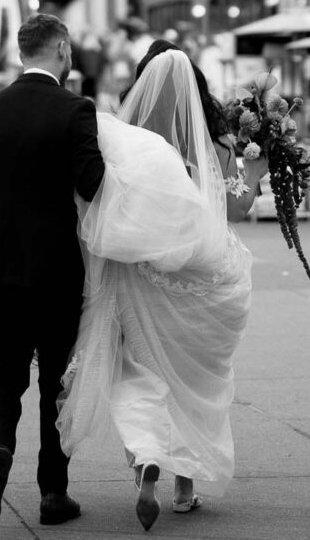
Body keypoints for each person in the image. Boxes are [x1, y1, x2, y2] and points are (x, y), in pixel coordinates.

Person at [58, 40, 269, 530]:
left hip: (142, 270)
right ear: (196, 86)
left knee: (138, 369)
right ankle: (185, 487)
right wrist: (255, 174)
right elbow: (235, 210)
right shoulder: (217, 142)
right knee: (191, 376)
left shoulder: (127, 134)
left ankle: (147, 459)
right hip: (203, 271)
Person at [0, 12, 105, 540]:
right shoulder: (75, 110)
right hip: (56, 270)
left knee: (0, 372)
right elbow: (94, 186)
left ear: (24, 52)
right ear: (63, 49)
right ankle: (52, 492)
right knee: (56, 383)